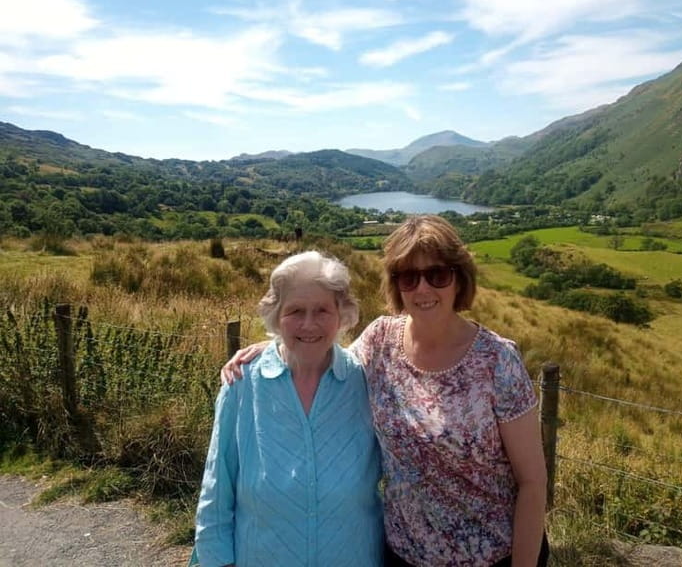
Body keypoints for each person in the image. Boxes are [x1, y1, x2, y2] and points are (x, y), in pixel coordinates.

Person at [223, 216, 548, 567]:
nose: (423, 289)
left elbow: (532, 482)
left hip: (493, 557)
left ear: (459, 278)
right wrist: (274, 347)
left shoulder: (498, 360)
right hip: (401, 556)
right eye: (409, 277)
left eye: (437, 274)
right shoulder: (381, 342)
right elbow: (328, 359)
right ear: (397, 285)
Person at [195, 251, 383, 567]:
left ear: (342, 314)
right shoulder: (242, 382)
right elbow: (217, 486)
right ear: (275, 316)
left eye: (322, 310)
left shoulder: (366, 380)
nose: (309, 324)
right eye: (295, 311)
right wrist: (216, 561)